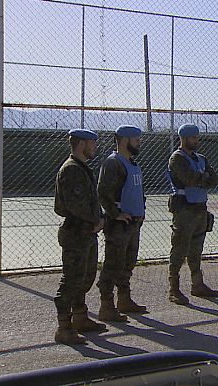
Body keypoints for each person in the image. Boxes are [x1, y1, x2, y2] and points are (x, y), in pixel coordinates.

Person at [53, 129, 107, 345]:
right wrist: (96, 220)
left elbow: (90, 200)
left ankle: (80, 318)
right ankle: (64, 327)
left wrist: (98, 218)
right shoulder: (72, 170)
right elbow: (76, 204)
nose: (95, 147)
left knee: (84, 277)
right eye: (92, 143)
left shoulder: (82, 168)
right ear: (82, 144)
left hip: (86, 232)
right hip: (77, 232)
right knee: (72, 280)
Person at [96, 125, 148, 323]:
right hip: (119, 226)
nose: (139, 143)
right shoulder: (113, 163)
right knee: (112, 265)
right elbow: (103, 192)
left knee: (127, 263)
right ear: (125, 141)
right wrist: (115, 214)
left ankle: (124, 300)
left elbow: (137, 191)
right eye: (136, 140)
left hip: (133, 223)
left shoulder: (132, 163)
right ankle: (106, 306)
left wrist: (140, 211)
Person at [166, 123, 218, 305]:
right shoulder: (177, 158)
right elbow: (188, 178)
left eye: (197, 137)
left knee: (196, 250)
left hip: (199, 208)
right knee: (180, 249)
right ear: (183, 138)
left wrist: (201, 178)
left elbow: (214, 179)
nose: (196, 141)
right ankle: (173, 288)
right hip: (184, 210)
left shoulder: (201, 158)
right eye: (193, 138)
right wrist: (202, 177)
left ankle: (197, 284)